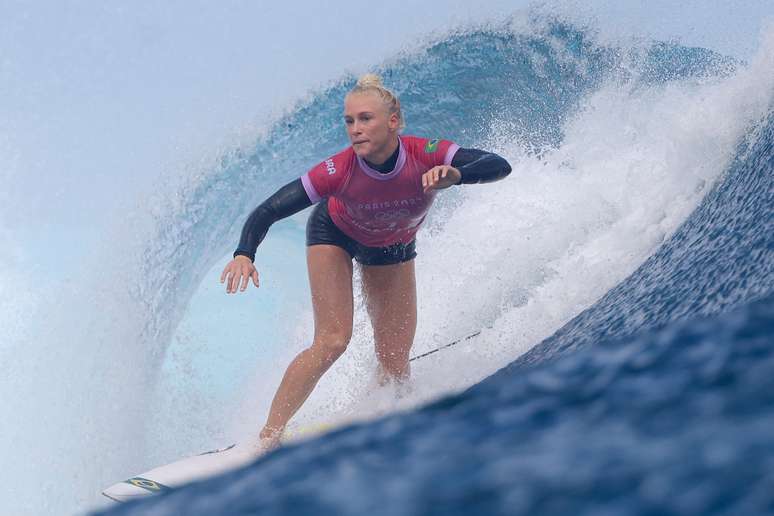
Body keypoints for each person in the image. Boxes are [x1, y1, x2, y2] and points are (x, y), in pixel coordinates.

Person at [220, 74, 511, 451]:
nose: (355, 130)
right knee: (332, 340)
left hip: (392, 246)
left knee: (395, 360)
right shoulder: (338, 169)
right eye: (349, 121)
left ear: (393, 121)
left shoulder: (426, 152)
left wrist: (456, 175)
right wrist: (245, 252)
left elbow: (498, 164)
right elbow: (268, 209)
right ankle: (265, 439)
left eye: (365, 119)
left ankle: (384, 417)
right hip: (335, 234)